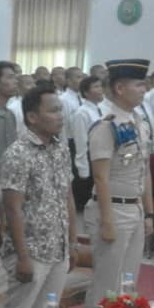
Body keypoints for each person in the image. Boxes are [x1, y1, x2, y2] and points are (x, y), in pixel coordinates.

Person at [0, 85, 77, 308]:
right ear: (32, 117)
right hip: (30, 249)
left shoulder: (60, 148)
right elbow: (12, 209)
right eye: (53, 110)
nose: (60, 115)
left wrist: (72, 241)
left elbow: (67, 196)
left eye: (60, 109)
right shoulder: (18, 153)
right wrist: (23, 257)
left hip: (58, 245)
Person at [83, 60, 154, 306]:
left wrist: (149, 214)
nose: (144, 89)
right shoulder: (106, 126)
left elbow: (144, 170)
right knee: (106, 283)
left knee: (128, 281)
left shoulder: (139, 123)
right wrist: (107, 221)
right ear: (120, 88)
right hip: (113, 209)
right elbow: (100, 177)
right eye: (139, 85)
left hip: (135, 208)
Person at [71, 75, 106, 211]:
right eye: (96, 87)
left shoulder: (100, 109)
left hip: (100, 156)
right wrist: (83, 170)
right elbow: (81, 143)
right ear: (86, 92)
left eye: (101, 86)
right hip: (89, 159)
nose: (101, 89)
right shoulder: (81, 113)